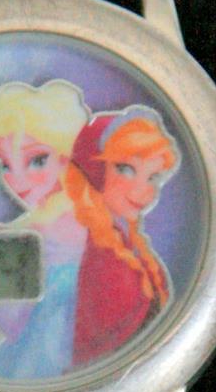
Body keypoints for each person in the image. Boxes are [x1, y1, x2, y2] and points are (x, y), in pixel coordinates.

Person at [0, 80, 90, 380]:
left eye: (37, 160)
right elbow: (9, 323)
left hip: (68, 361)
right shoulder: (26, 234)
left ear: (68, 153)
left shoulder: (95, 221)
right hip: (37, 363)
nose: (18, 180)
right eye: (5, 165)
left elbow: (9, 322)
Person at [65, 107, 179, 367]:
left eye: (153, 177)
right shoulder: (86, 250)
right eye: (125, 169)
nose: (143, 190)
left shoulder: (125, 242)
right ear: (94, 168)